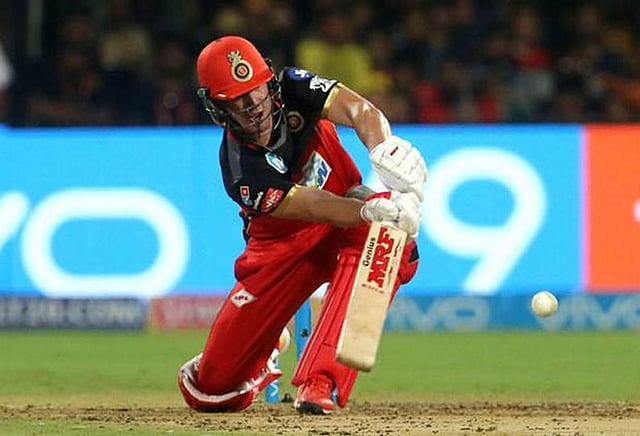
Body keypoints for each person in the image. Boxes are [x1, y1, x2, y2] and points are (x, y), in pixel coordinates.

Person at [178, 35, 427, 415]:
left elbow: (360, 111)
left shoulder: (296, 86)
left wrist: (382, 149)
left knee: (393, 241)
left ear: (269, 80)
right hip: (281, 252)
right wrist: (367, 211)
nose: (252, 106)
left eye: (256, 90)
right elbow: (312, 205)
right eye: (237, 100)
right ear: (217, 108)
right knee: (209, 390)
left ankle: (322, 382)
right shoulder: (240, 168)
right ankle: (267, 346)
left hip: (346, 220)